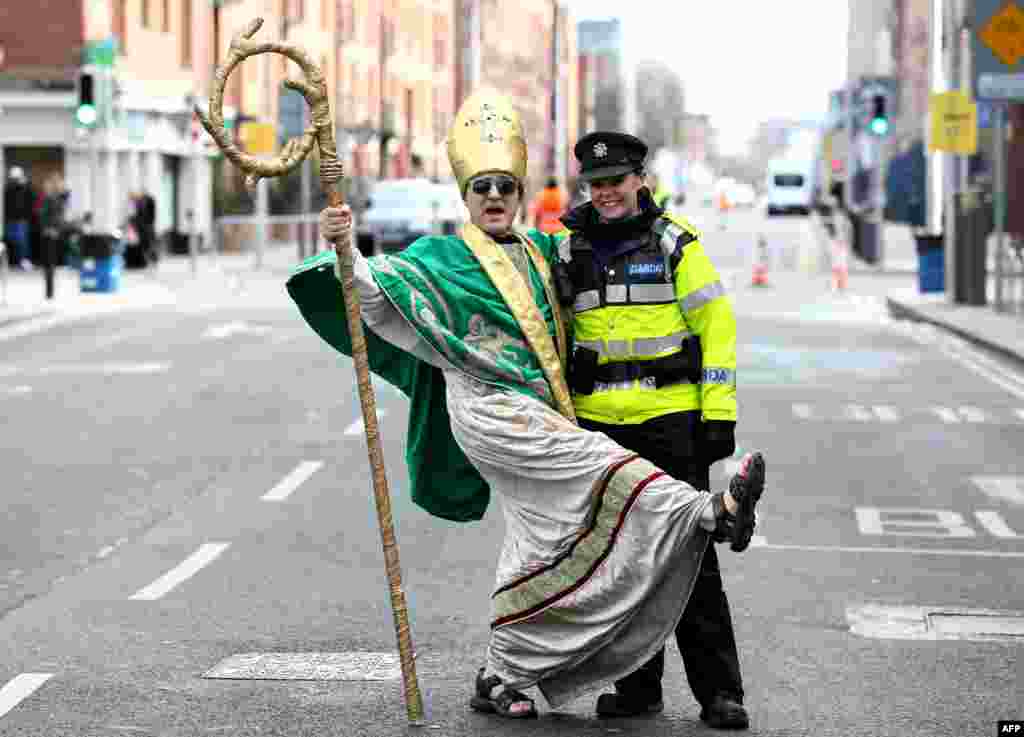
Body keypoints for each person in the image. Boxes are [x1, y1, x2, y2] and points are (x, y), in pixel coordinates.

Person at [288, 88, 765, 720]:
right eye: (481, 186)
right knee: (616, 480)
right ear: (465, 194)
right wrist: (346, 249)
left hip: (644, 416)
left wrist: (717, 415)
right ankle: (710, 514)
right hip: (506, 417)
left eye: (504, 188)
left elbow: (714, 324)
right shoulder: (453, 255)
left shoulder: (559, 252)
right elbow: (378, 298)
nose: (492, 197)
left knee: (549, 545)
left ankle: (504, 674)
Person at [557, 131, 748, 729]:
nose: (607, 193)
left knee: (690, 560)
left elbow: (717, 323)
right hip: (600, 434)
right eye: (596, 184)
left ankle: (719, 693)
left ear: (640, 179)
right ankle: (638, 689)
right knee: (622, 563)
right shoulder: (566, 253)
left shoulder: (673, 245)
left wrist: (718, 413)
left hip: (670, 425)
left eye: (616, 180)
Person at [4, 166, 35, 270]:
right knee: (10, 240)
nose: (15, 181)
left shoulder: (26, 188)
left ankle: (24, 260)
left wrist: (25, 185)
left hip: (21, 219)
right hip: (10, 219)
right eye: (14, 179)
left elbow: (30, 200)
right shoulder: (8, 188)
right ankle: (12, 262)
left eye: (17, 179)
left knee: (22, 241)